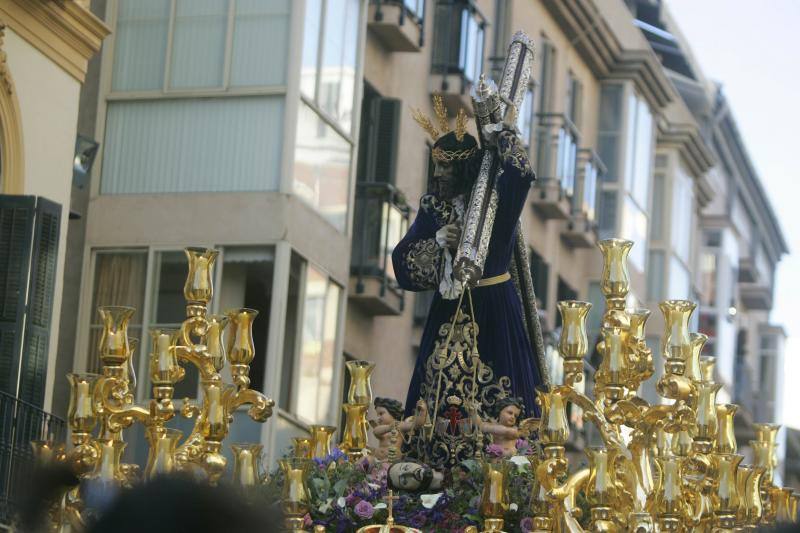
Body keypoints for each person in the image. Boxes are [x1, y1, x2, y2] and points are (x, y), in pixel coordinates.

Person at [392, 96, 545, 468]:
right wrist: (436, 244)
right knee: (436, 395)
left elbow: (522, 174)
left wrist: (504, 136)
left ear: (464, 170)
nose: (440, 176)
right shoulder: (434, 208)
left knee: (505, 397)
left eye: (447, 169)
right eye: (436, 167)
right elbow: (402, 262)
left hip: (495, 310)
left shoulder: (497, 200)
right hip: (449, 311)